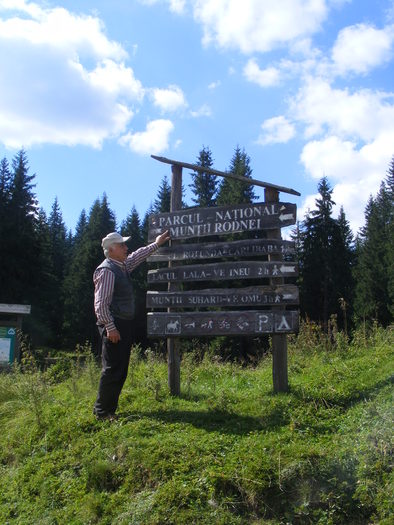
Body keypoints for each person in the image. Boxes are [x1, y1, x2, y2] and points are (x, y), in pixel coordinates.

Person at [93, 230, 170, 420]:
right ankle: (102, 412)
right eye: (122, 246)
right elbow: (101, 304)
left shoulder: (121, 265)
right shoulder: (107, 270)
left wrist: (157, 243)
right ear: (111, 249)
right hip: (114, 325)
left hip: (123, 324)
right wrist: (110, 327)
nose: (126, 248)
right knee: (112, 369)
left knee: (120, 369)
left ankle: (109, 410)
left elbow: (138, 256)